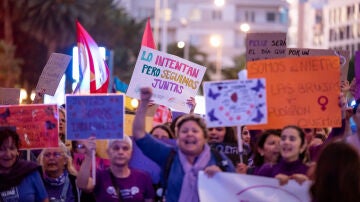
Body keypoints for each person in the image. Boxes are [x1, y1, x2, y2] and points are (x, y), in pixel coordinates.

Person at [132, 87, 235, 202]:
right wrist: (144, 103)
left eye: (195, 131)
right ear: (177, 137)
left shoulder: (219, 159)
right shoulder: (169, 155)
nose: (189, 134)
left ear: (205, 136)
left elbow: (236, 191)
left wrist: (222, 177)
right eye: (184, 131)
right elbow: (139, 134)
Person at [76, 135, 155, 202]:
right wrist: (89, 156)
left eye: (125, 148)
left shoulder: (143, 177)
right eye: (116, 148)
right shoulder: (99, 176)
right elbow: (82, 185)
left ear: (131, 153)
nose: (120, 152)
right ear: (108, 152)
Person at [0, 128, 48, 202]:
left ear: (17, 151)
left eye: (12, 148)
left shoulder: (30, 172)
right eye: (1, 149)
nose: (8, 154)